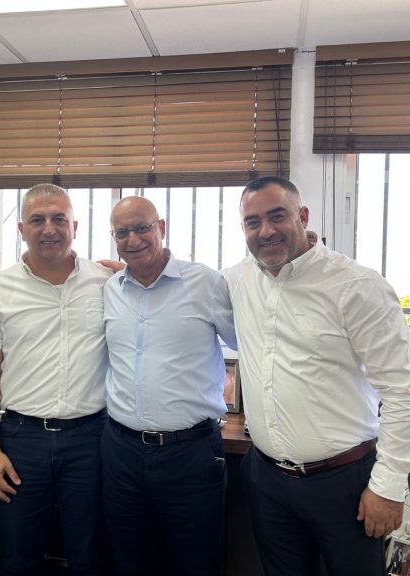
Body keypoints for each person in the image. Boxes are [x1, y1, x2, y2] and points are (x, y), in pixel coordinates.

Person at [223, 176, 410, 576]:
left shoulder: (357, 286)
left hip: (344, 482)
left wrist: (388, 487)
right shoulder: (239, 278)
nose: (265, 231)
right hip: (266, 478)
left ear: (302, 216)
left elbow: (403, 393)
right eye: (252, 222)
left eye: (277, 216)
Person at [0, 184, 111, 575]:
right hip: (22, 440)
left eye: (58, 219)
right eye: (37, 219)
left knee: (90, 554)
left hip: (90, 438)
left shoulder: (106, 282)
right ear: (21, 229)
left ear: (75, 227)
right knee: (18, 554)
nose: (49, 228)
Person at [102, 196, 237, 576]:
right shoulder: (110, 288)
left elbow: (249, 341)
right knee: (129, 562)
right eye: (122, 232)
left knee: (196, 563)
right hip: (121, 452)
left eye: (142, 228)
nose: (133, 239)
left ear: (160, 227)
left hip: (190, 454)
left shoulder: (206, 283)